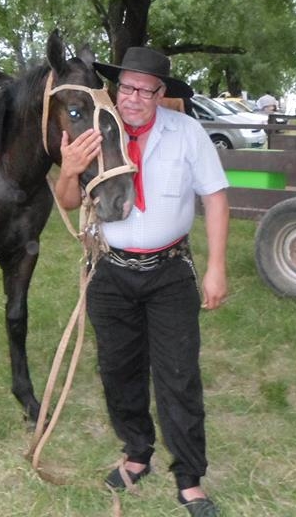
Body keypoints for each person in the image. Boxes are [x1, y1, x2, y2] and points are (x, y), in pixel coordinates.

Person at [54, 46, 229, 517]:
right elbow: (67, 201)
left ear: (159, 94)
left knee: (178, 375)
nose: (132, 98)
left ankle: (190, 477)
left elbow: (214, 197)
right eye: (125, 87)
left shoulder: (188, 133)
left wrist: (216, 266)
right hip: (111, 273)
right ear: (115, 89)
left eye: (144, 90)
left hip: (170, 272)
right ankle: (136, 453)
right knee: (118, 371)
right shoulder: (92, 131)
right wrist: (70, 169)